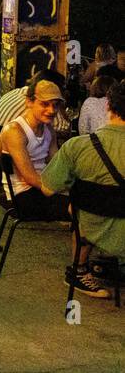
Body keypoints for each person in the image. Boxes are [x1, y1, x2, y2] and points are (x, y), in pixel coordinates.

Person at [43, 81, 125, 298]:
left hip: (90, 229)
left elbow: (48, 188)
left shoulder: (77, 146)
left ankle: (79, 270)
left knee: (77, 207)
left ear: (107, 106)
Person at [0, 79, 68, 221]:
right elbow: (29, 177)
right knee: (79, 207)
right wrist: (61, 190)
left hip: (41, 188)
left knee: (86, 200)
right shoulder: (15, 131)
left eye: (55, 106)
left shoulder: (48, 129)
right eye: (44, 104)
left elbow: (55, 163)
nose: (51, 110)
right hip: (21, 195)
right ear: (29, 102)